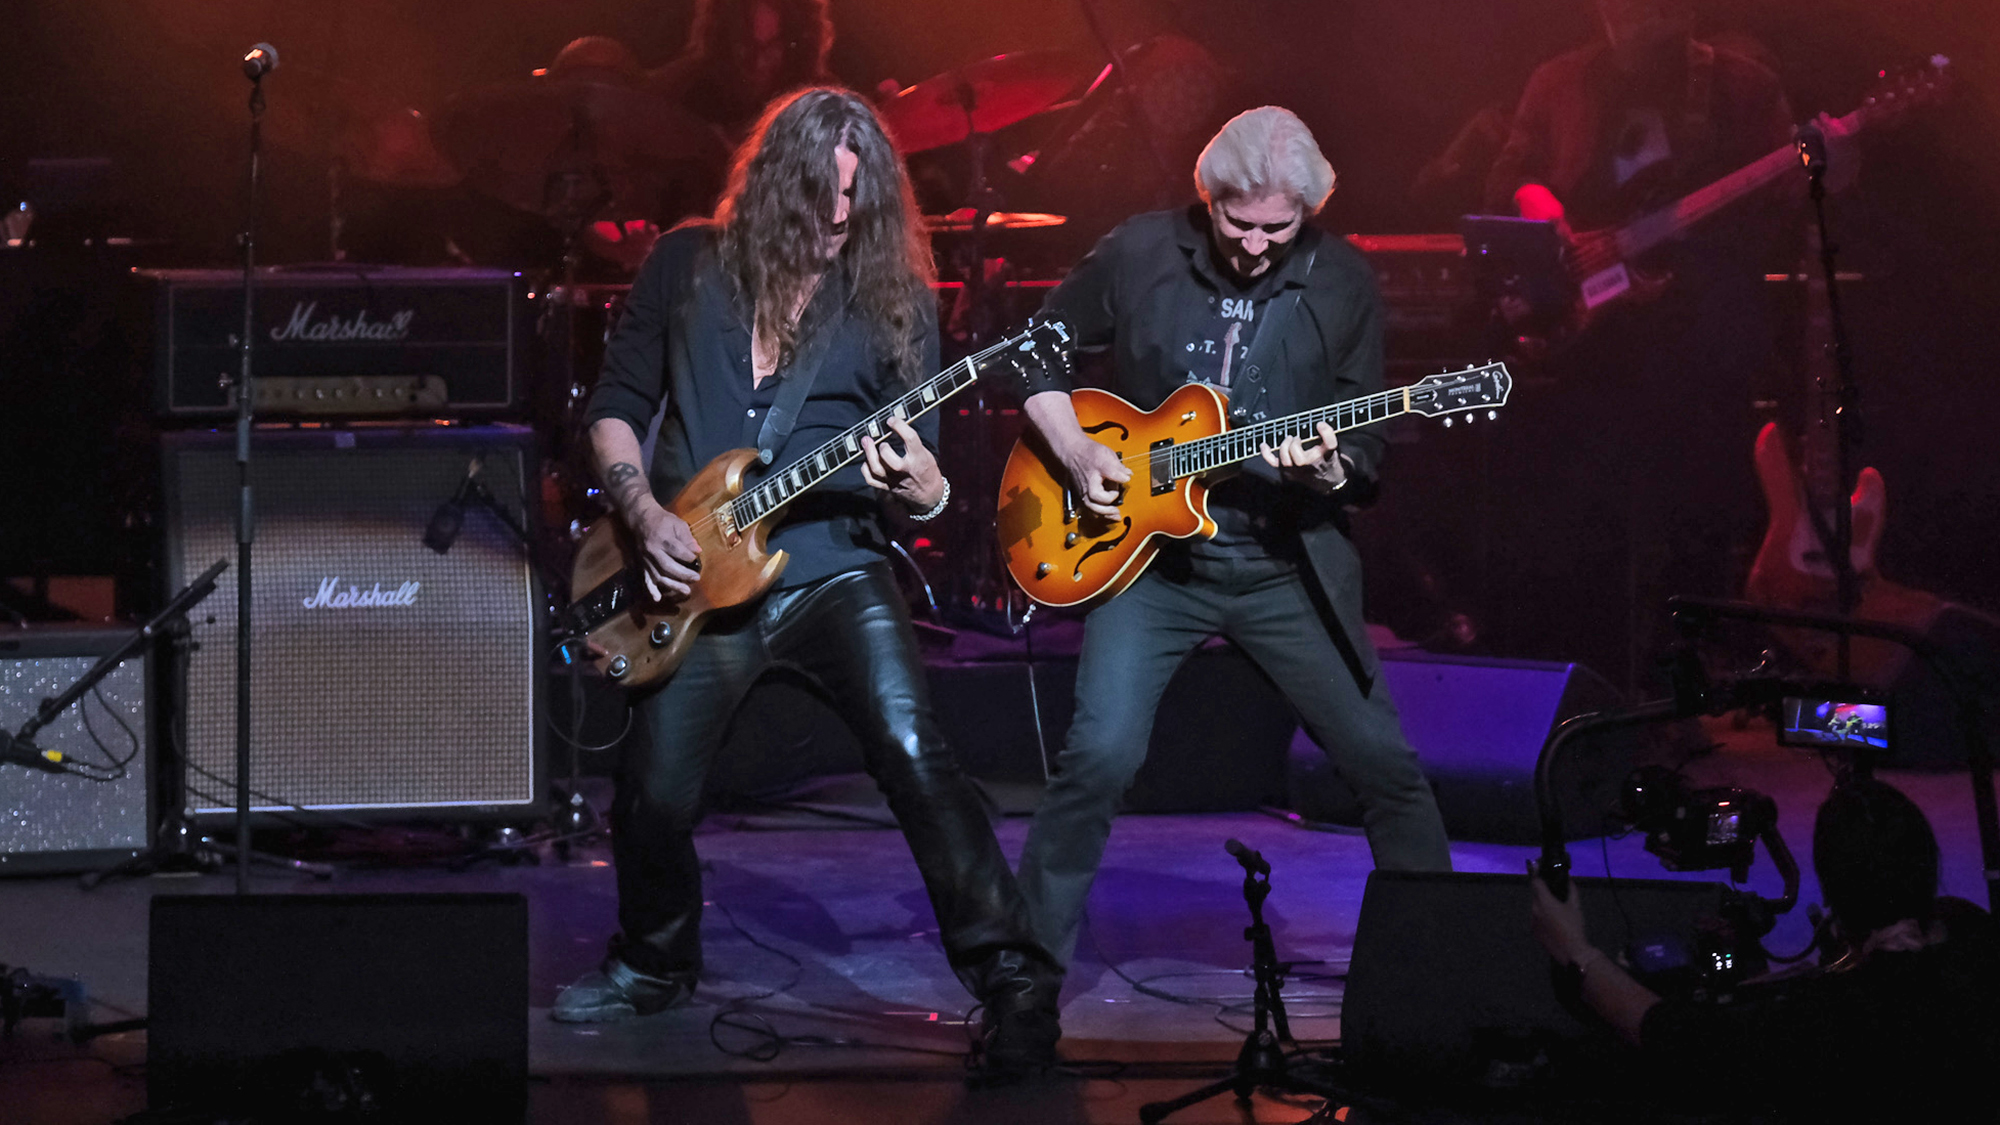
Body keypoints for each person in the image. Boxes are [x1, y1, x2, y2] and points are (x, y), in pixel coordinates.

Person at [555, 86, 1060, 1077]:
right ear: (771, 186)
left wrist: (919, 485)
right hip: (689, 572)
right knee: (653, 792)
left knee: (916, 752)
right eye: (820, 198)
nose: (839, 219)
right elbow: (614, 408)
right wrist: (644, 513)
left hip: (829, 567)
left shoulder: (893, 299)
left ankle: (1011, 978)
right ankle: (654, 963)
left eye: (857, 202)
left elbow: (929, 487)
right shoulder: (682, 266)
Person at [1013, 106, 1455, 1054]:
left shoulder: (1343, 282)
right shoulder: (1138, 252)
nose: (1255, 247)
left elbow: (1365, 453)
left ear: (1308, 213)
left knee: (1387, 769)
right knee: (1098, 759)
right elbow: (1037, 349)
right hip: (1151, 560)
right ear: (1207, 201)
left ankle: (1439, 989)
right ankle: (1024, 988)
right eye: (1237, 224)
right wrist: (1074, 444)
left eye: (1277, 230)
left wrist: (1327, 466)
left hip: (1282, 562)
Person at [1479, 0, 1840, 690]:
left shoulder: (1739, 83)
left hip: (1699, 336)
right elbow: (1510, 174)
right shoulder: (1559, 79)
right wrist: (1545, 210)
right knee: (1591, 516)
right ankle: (1592, 680)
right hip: (1591, 337)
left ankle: (1679, 688)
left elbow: (1786, 193)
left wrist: (1830, 163)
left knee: (1691, 516)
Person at [1530, 776, 1999, 1119]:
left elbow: (1679, 1040)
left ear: (1832, 888)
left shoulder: (1826, 1023)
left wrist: (1576, 951)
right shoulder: (1974, 943)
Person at [646, 0, 838, 142]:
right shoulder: (679, 90)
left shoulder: (826, 107)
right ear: (723, 40)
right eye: (747, 46)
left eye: (773, 47)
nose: (759, 62)